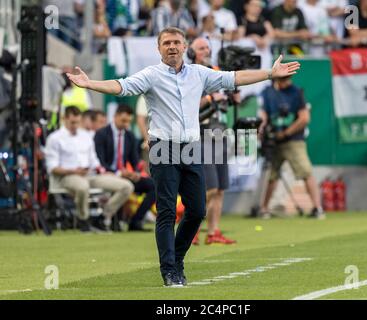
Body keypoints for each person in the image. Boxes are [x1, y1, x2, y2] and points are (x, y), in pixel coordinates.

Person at [66, 27, 300, 287]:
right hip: (162, 147)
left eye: (176, 42)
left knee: (197, 210)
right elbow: (121, 86)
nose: (172, 46)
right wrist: (90, 84)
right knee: (166, 212)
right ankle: (169, 271)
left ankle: (176, 259)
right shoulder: (151, 75)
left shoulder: (199, 74)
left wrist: (269, 73)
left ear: (184, 46)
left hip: (190, 148)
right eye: (166, 43)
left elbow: (234, 78)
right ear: (159, 49)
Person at [45, 106, 134, 232]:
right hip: (66, 177)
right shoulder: (55, 138)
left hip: (90, 175)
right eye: (72, 122)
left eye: (77, 122)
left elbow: (94, 160)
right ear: (64, 119)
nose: (75, 125)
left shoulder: (86, 136)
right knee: (82, 187)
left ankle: (102, 216)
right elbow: (52, 167)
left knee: (127, 186)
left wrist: (103, 171)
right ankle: (83, 219)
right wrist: (73, 171)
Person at [188, 37, 237, 245]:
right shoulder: (188, 74)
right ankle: (192, 230)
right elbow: (187, 105)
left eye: (207, 47)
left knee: (220, 187)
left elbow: (228, 101)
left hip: (220, 132)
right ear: (191, 52)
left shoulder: (215, 71)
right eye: (201, 48)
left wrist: (232, 98)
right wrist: (209, 99)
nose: (206, 51)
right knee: (209, 187)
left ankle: (213, 231)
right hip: (202, 132)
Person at [258, 75, 324, 219]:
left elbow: (304, 118)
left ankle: (317, 208)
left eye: (286, 79)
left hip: (293, 140)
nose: (285, 82)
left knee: (305, 171)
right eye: (282, 79)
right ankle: (263, 209)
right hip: (274, 140)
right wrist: (263, 131)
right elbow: (263, 115)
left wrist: (287, 132)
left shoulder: (295, 92)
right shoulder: (268, 92)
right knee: (271, 175)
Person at [94, 104, 156, 231]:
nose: (126, 124)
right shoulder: (101, 134)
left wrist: (136, 172)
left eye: (128, 121)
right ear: (115, 117)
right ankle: (107, 218)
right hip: (107, 174)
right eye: (123, 120)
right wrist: (118, 173)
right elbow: (100, 161)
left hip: (125, 176)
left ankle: (136, 221)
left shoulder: (129, 136)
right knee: (125, 184)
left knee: (154, 186)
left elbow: (134, 160)